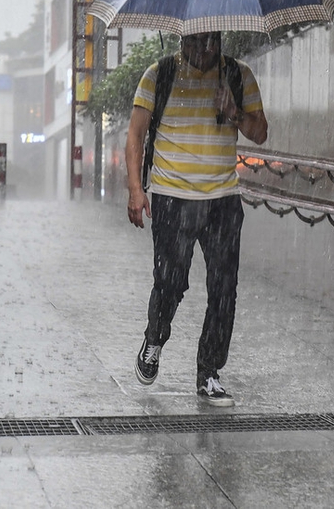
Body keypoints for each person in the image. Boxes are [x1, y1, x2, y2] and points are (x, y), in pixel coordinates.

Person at [125, 31, 268, 407]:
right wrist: (136, 191)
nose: (204, 51)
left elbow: (261, 133)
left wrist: (234, 111)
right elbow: (136, 135)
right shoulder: (160, 75)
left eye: (211, 43)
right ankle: (155, 338)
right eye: (196, 43)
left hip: (222, 199)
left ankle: (209, 372)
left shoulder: (238, 76)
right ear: (181, 40)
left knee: (224, 290)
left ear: (220, 40)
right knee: (171, 284)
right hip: (172, 197)